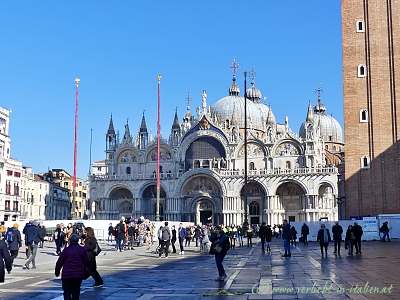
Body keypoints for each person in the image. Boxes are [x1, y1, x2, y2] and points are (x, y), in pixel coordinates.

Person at [55, 234, 90, 300]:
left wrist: (57, 272)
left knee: (67, 292)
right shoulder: (82, 249)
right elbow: (87, 261)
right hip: (79, 275)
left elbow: (59, 262)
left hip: (67, 275)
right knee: (76, 292)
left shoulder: (66, 250)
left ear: (70, 241)